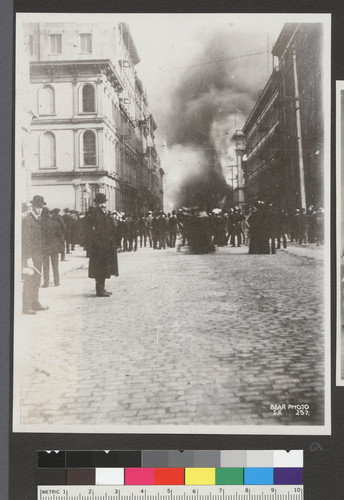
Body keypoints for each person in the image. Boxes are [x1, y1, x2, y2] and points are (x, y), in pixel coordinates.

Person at [87, 193, 118, 297]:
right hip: (99, 248)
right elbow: (91, 232)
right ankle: (99, 290)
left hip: (105, 246)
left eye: (104, 203)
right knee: (100, 269)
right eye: (100, 203)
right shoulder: (95, 214)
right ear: (96, 204)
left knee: (104, 268)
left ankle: (102, 289)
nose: (103, 205)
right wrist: (98, 244)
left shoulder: (104, 214)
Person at [22, 195, 49, 314]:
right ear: (33, 206)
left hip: (39, 255)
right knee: (29, 281)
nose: (40, 209)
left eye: (41, 207)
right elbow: (26, 239)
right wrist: (28, 257)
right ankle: (27, 306)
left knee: (37, 279)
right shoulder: (28, 219)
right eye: (38, 207)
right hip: (31, 256)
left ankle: (35, 302)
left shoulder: (38, 219)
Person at [41, 207, 63, 287]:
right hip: (54, 246)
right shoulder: (55, 223)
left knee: (45, 265)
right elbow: (60, 234)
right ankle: (56, 282)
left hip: (45, 247)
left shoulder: (41, 224)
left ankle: (46, 282)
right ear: (49, 214)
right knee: (55, 265)